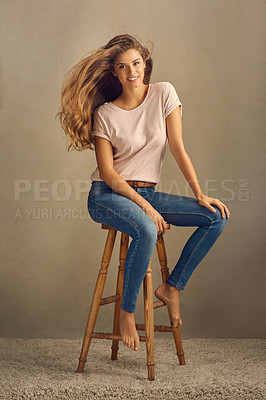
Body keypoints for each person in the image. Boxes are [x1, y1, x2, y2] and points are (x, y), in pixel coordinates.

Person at [57, 33, 230, 354]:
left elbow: (177, 148)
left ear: (144, 64)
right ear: (115, 73)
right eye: (123, 67)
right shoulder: (105, 114)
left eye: (136, 63)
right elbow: (108, 173)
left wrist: (200, 194)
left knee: (214, 218)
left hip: (146, 193)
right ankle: (126, 312)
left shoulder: (164, 93)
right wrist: (145, 208)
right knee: (147, 228)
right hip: (106, 196)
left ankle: (172, 288)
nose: (131, 71)